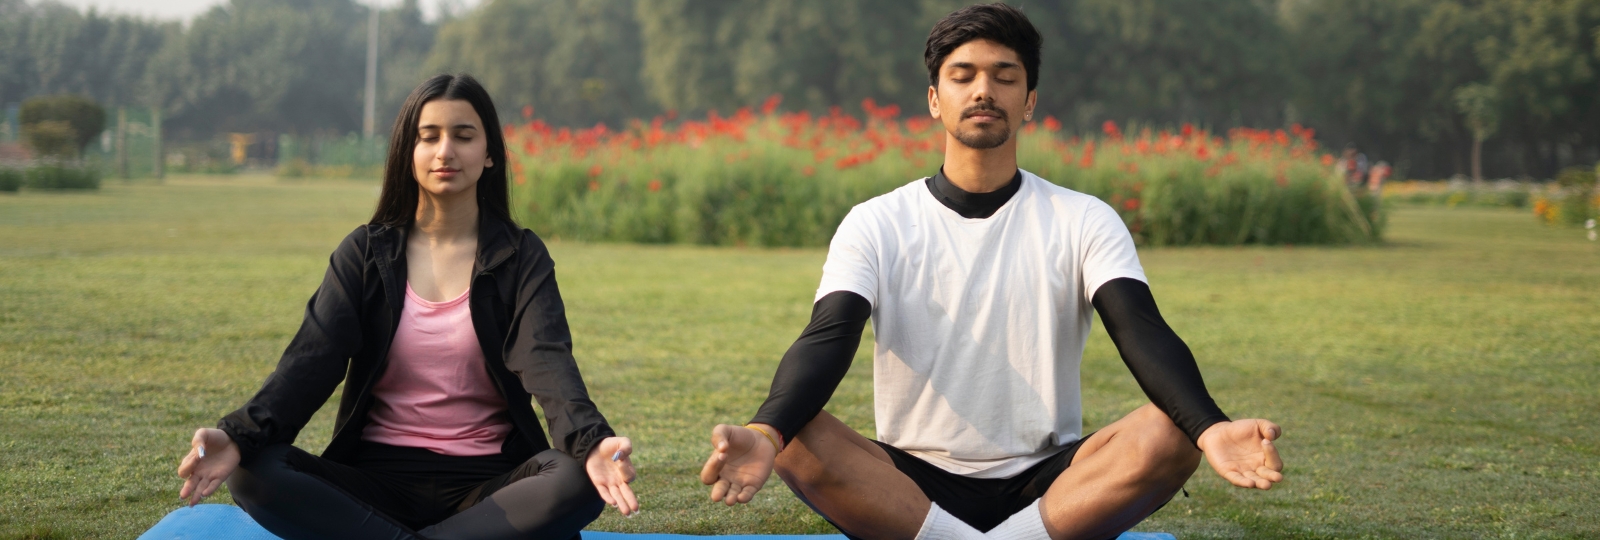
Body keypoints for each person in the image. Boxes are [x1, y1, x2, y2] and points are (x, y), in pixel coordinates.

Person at [699, 4, 1283, 540]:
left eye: (1005, 77)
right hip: (909, 485)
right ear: (935, 98)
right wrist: (768, 432)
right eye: (964, 76)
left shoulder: (1082, 218)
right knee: (797, 433)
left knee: (1170, 430)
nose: (985, 90)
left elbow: (1140, 328)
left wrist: (1208, 428)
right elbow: (829, 334)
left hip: (1053, 485)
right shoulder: (876, 221)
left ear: (1029, 100)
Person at [176, 74, 639, 540]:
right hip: (374, 483)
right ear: (407, 152)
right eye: (428, 136)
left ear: (490, 152)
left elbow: (546, 357)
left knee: (576, 478)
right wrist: (239, 435)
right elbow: (311, 360)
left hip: (492, 487)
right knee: (254, 470)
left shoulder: (520, 257)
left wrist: (590, 442)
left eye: (463, 136)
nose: (445, 152)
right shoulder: (364, 254)